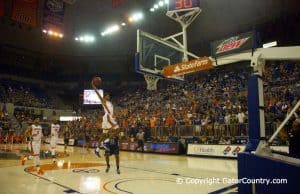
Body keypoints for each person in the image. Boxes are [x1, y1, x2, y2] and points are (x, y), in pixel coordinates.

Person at [92, 80, 121, 174]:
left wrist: (114, 116)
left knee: (105, 135)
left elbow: (113, 112)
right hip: (106, 118)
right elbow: (97, 94)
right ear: (104, 97)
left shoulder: (111, 103)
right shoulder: (103, 101)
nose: (108, 96)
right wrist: (93, 86)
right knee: (115, 129)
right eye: (107, 96)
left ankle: (97, 149)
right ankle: (103, 145)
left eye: (109, 96)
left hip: (109, 118)